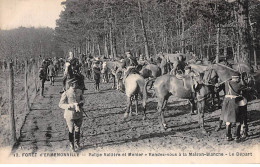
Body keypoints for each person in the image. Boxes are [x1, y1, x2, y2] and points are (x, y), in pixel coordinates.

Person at [59, 78, 84, 152]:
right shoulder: (66, 93)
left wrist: (81, 103)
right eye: (75, 83)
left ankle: (77, 143)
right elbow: (60, 104)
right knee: (71, 130)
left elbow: (83, 99)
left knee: (78, 129)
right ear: (71, 84)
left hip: (79, 114)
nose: (77, 84)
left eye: (76, 83)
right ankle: (71, 145)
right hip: (70, 114)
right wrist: (70, 106)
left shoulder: (79, 91)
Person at [220, 74, 246, 141]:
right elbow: (245, 88)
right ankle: (237, 137)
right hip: (234, 103)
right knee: (238, 120)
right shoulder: (239, 84)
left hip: (226, 103)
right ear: (236, 78)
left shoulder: (227, 83)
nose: (239, 80)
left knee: (228, 121)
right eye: (238, 78)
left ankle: (228, 136)